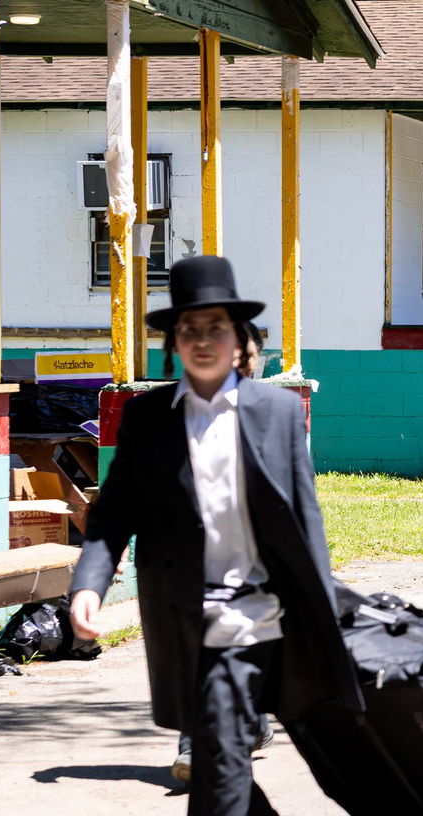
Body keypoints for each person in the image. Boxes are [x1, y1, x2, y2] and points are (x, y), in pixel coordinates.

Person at [68, 255, 363, 816]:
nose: (203, 339)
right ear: (174, 342)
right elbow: (113, 513)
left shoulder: (278, 413)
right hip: (181, 613)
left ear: (239, 340)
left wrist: (325, 610)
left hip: (259, 609)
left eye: (217, 326)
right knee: (214, 735)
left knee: (224, 732)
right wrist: (90, 584)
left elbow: (305, 519)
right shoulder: (145, 421)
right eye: (190, 327)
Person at [171, 320, 272, 785]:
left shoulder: (271, 414)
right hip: (192, 577)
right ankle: (195, 746)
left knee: (238, 664)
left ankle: (251, 725)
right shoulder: (171, 416)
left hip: (254, 578)